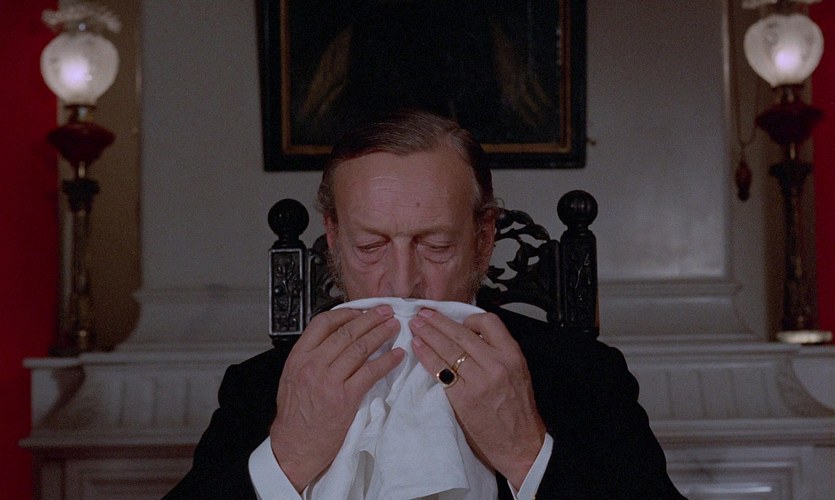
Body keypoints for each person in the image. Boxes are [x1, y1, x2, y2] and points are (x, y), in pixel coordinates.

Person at [166, 110, 685, 499]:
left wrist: (526, 452)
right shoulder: (260, 386)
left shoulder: (586, 375)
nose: (403, 281)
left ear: (483, 238)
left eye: (435, 245)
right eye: (370, 246)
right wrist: (287, 460)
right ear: (335, 238)